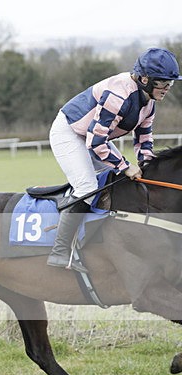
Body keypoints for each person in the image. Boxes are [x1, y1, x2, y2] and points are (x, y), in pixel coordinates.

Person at [47, 47, 182, 272]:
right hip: (70, 132)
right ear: (145, 79)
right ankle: (60, 252)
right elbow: (96, 141)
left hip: (91, 135)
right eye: (162, 82)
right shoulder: (119, 95)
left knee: (113, 181)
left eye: (171, 82)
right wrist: (125, 166)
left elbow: (144, 139)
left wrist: (146, 166)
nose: (167, 87)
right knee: (87, 186)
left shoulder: (149, 102)